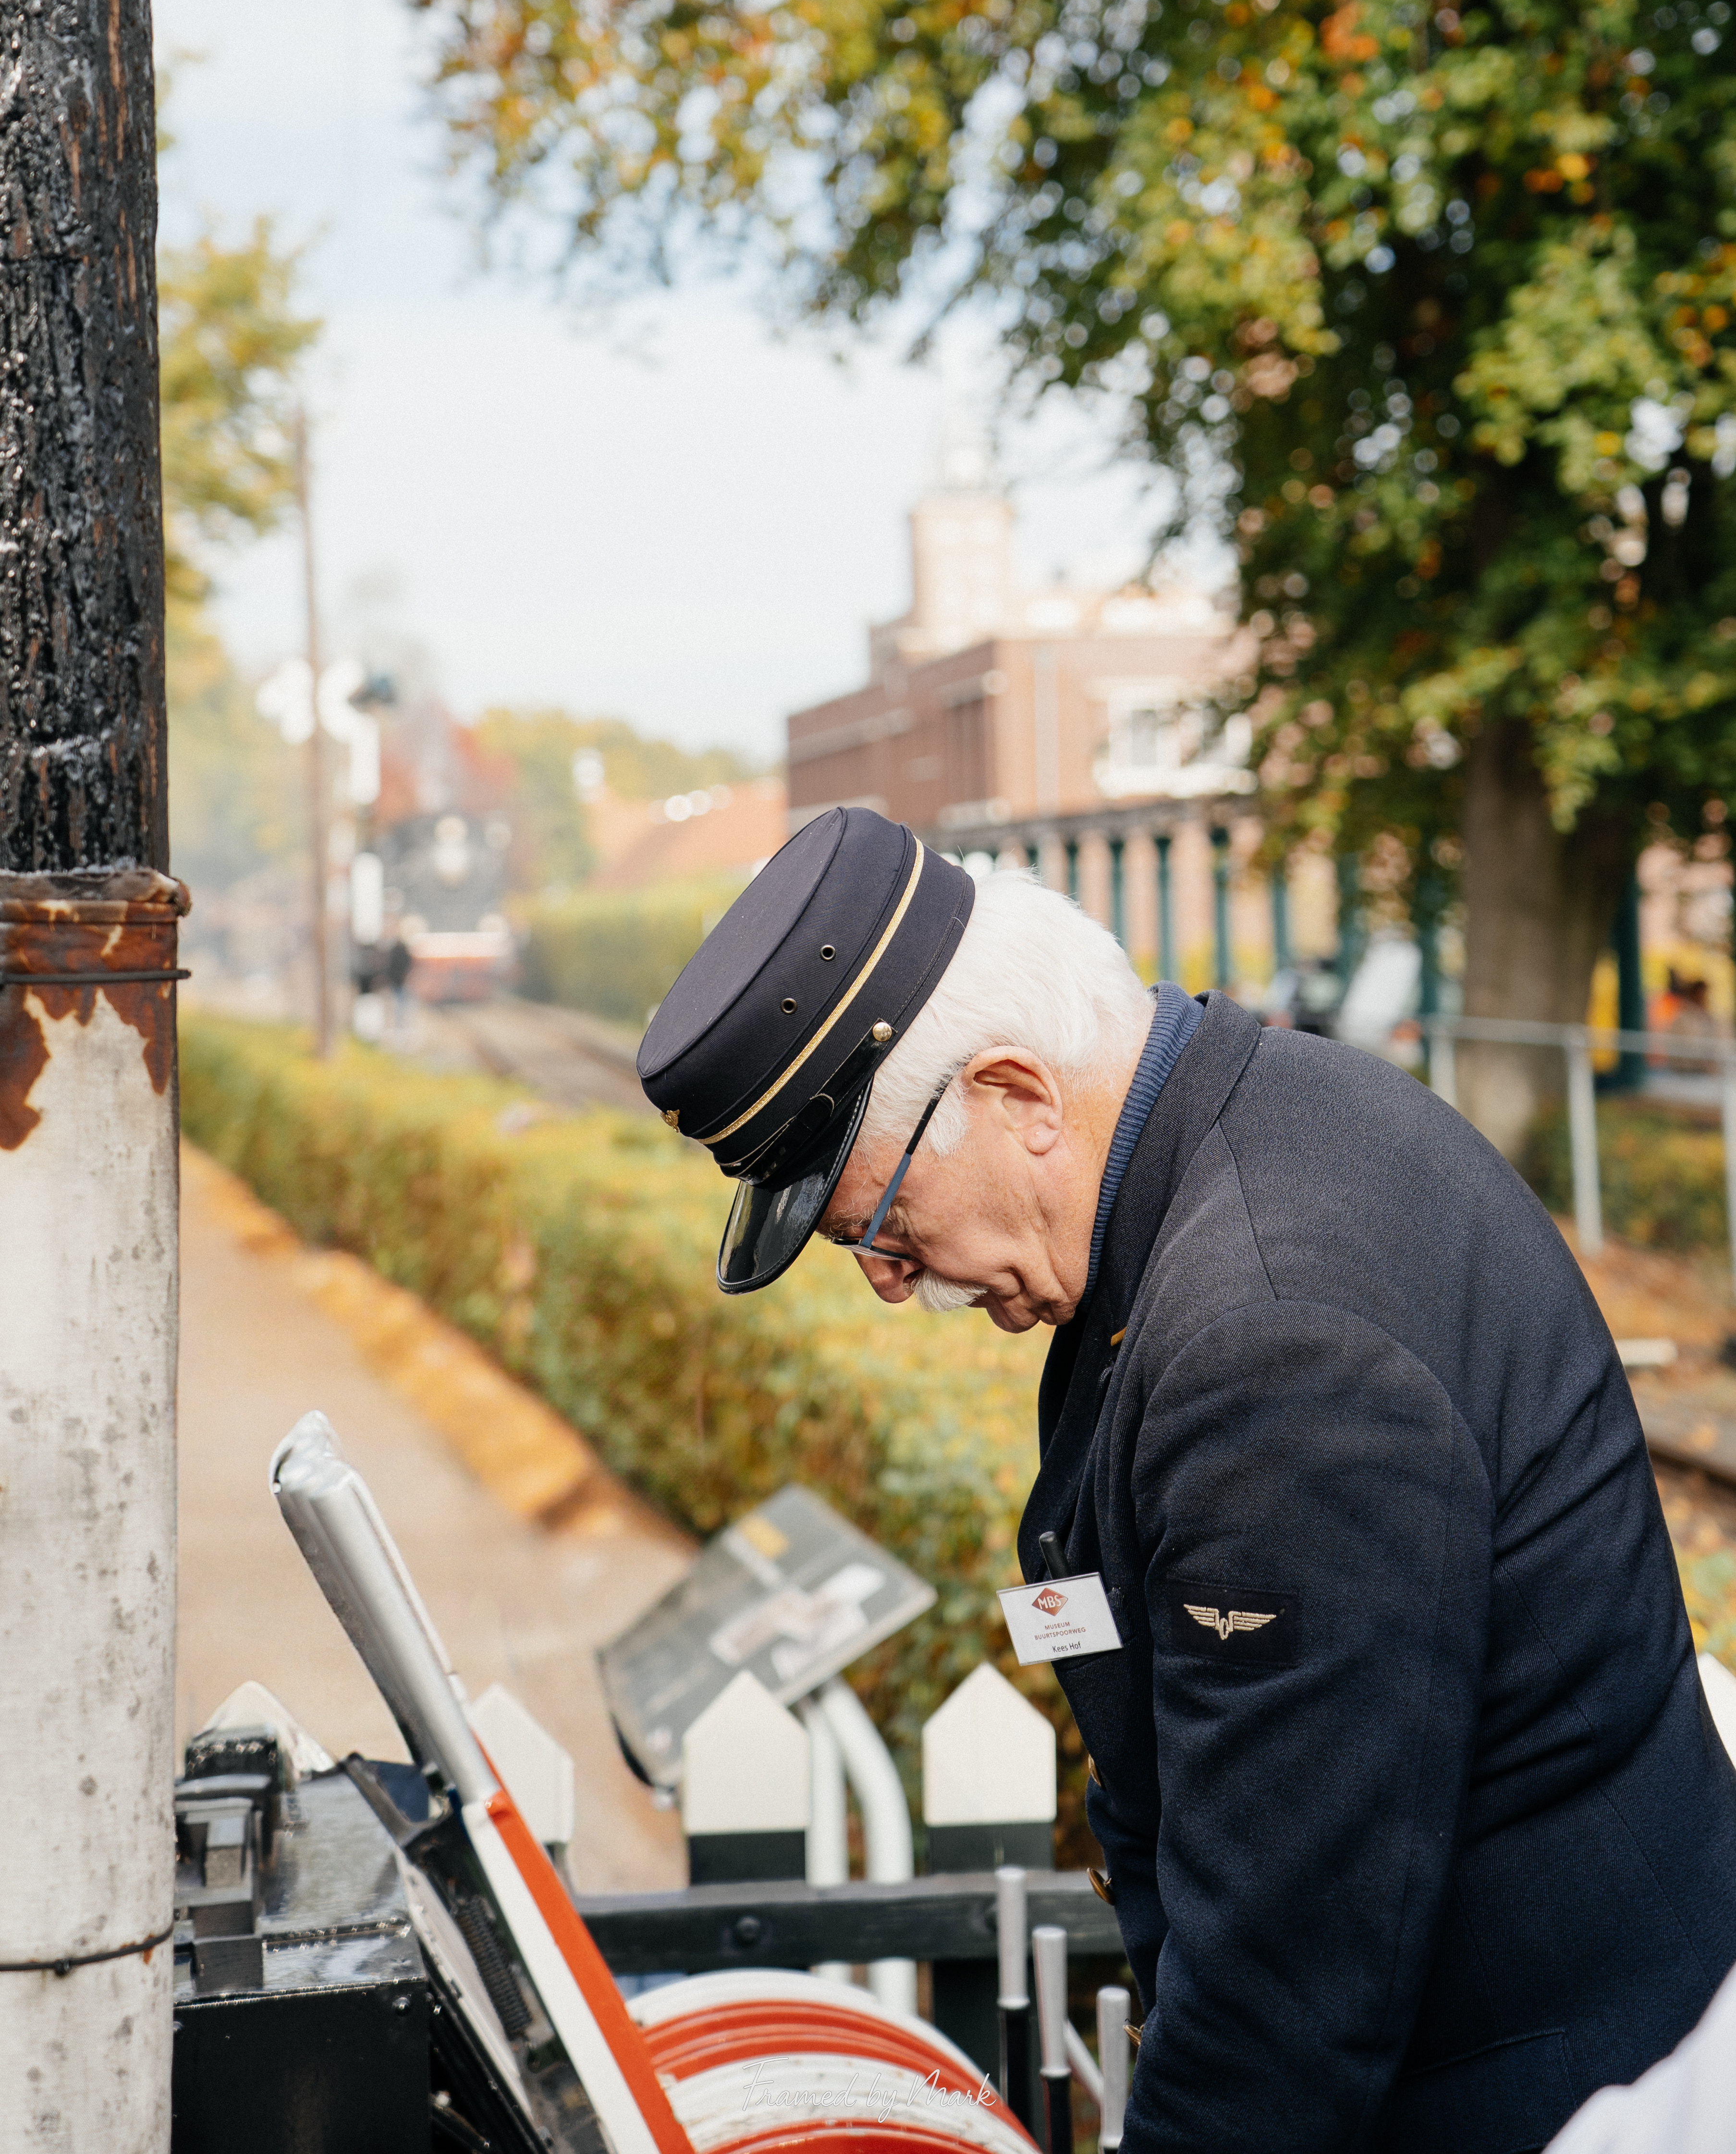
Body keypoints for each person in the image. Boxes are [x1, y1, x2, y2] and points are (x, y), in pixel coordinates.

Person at [637, 807, 1736, 2154]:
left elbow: (1289, 1982)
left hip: (1521, 2099)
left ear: (1018, 1096)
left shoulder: (1272, 1352)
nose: (885, 1278)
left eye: (880, 1222)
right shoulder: (1252, 1123)